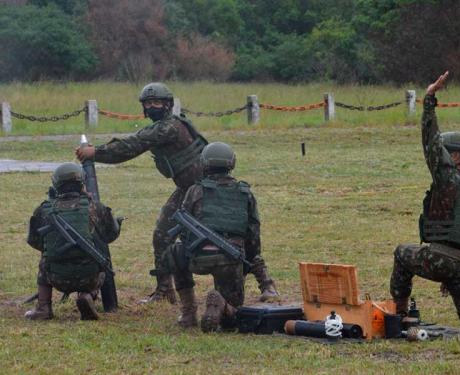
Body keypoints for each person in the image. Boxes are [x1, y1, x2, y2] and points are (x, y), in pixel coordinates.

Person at [75, 83, 278, 304]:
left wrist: (95, 152)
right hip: (187, 189)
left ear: (167, 105)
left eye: (157, 102)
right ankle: (164, 290)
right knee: (163, 235)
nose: (152, 106)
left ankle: (267, 284)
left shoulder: (167, 128)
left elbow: (132, 145)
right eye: (148, 103)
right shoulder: (167, 125)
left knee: (230, 233)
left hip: (206, 189)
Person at [390, 71, 460, 343]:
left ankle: (400, 315)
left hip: (444, 259)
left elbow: (430, 139)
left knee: (402, 254)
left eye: (445, 151)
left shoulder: (446, 177)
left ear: (455, 156)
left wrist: (429, 99)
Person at [171, 142, 271, 332]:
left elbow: (184, 231)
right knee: (232, 321)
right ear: (232, 163)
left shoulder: (195, 191)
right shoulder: (245, 193)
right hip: (231, 260)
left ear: (204, 164)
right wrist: (247, 262)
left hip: (198, 258)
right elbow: (253, 235)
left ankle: (188, 312)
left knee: (175, 251)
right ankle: (223, 305)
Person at [25, 162, 121, 320]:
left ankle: (43, 307)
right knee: (102, 262)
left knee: (45, 258)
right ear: (82, 183)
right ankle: (88, 295)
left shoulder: (44, 210)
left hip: (56, 277)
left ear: (56, 183)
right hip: (90, 277)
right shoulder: (95, 207)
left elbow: (35, 242)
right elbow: (110, 236)